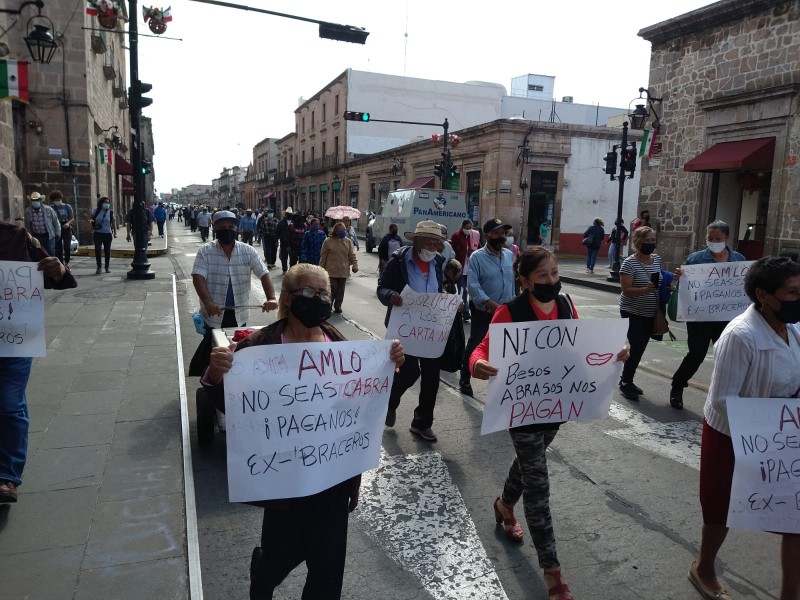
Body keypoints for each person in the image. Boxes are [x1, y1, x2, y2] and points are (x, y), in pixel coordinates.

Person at [202, 263, 405, 599]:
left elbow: (360, 399)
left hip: (333, 480)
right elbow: (234, 409)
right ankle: (263, 572)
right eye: (309, 292)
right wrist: (216, 373)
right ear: (287, 297)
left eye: (323, 293)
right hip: (285, 481)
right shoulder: (259, 346)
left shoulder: (337, 342)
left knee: (328, 568)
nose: (319, 299)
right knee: (280, 557)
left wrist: (389, 367)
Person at [470, 247, 627, 600]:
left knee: (528, 465)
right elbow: (482, 348)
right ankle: (552, 572)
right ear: (525, 281)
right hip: (521, 410)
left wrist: (616, 350)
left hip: (556, 407)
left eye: (555, 274)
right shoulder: (510, 313)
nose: (552, 281)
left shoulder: (567, 306)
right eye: (543, 277)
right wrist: (477, 364)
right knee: (538, 486)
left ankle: (504, 506)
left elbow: (583, 345)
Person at [688, 256, 800, 600]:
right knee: (721, 509)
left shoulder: (794, 329)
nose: (799, 298)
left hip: (783, 438)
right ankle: (704, 566)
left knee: (794, 516)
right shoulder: (740, 335)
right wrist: (770, 419)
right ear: (764, 295)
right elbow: (723, 399)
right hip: (733, 436)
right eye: (793, 292)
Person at [0, 219, 77, 504]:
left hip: (12, 337)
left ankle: (6, 476)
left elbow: (57, 274)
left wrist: (59, 270)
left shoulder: (15, 235)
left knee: (9, 403)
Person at [378, 220, 449, 442]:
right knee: (409, 372)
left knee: (431, 378)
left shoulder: (438, 262)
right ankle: (390, 402)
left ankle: (422, 423)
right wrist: (390, 295)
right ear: (416, 241)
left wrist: (450, 301)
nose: (431, 247)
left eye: (436, 243)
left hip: (432, 329)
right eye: (427, 241)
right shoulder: (399, 261)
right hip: (405, 328)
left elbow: (440, 290)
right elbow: (382, 288)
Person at [668, 220, 747, 409]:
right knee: (697, 353)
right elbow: (686, 287)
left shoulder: (738, 259)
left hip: (728, 317)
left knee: (728, 356)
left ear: (727, 238)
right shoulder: (696, 259)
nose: (713, 241)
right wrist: (679, 277)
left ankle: (726, 395)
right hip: (700, 317)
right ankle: (677, 386)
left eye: (718, 238)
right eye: (709, 238)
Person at [189, 210, 278, 376]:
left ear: (236, 228)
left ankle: (233, 382)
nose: (227, 229)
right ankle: (211, 380)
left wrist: (271, 298)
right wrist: (207, 302)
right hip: (214, 313)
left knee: (236, 349)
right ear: (214, 227)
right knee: (214, 350)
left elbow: (264, 274)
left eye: (231, 226)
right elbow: (198, 277)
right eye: (222, 226)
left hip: (240, 314)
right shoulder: (205, 251)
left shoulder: (248, 251)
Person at [459, 218, 516, 397]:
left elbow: (512, 281)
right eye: (498, 233)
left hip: (506, 311)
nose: (502, 237)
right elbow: (473, 286)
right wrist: (490, 304)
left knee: (507, 348)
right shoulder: (477, 257)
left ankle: (503, 384)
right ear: (488, 235)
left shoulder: (508, 255)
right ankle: (465, 378)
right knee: (477, 343)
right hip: (484, 311)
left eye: (504, 233)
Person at [618, 226, 661, 401]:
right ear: (637, 243)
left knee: (641, 348)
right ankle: (625, 382)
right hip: (632, 311)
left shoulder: (657, 259)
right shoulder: (629, 263)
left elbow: (660, 280)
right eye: (647, 241)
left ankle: (628, 380)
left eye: (653, 240)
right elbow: (626, 290)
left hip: (651, 312)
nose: (651, 244)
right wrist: (645, 290)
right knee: (636, 347)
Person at [320, 221, 358, 314]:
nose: (343, 232)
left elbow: (352, 255)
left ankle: (338, 306)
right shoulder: (328, 241)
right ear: (336, 231)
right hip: (331, 270)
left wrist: (355, 265)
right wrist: (320, 269)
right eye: (341, 230)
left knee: (341, 291)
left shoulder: (348, 242)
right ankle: (328, 305)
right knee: (333, 288)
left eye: (344, 230)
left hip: (343, 270)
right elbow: (323, 256)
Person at [450, 219, 475, 322]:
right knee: (463, 290)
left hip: (469, 268)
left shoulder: (472, 237)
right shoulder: (456, 236)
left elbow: (478, 246)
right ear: (462, 227)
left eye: (470, 228)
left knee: (470, 290)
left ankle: (465, 310)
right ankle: (465, 312)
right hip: (460, 268)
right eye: (467, 228)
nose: (469, 230)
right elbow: (452, 250)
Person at [23, 192, 60, 257]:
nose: (35, 202)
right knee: (37, 253)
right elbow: (27, 225)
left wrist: (58, 233)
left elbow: (56, 222)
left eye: (37, 200)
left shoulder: (48, 210)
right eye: (33, 200)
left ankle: (51, 266)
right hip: (36, 235)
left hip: (48, 235)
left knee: (50, 252)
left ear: (40, 200)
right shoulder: (28, 211)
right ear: (31, 201)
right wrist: (29, 235)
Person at [90, 197, 117, 274]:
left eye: (108, 203)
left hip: (107, 234)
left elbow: (113, 223)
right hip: (97, 233)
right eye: (105, 202)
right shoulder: (96, 211)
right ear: (101, 203)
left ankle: (107, 267)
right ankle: (99, 267)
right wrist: (92, 224)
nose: (107, 204)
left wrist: (115, 232)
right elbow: (91, 219)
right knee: (97, 250)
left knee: (107, 251)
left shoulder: (111, 212)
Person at [49, 190, 74, 266]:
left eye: (58, 199)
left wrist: (68, 223)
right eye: (55, 200)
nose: (57, 201)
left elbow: (72, 218)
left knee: (67, 246)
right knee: (58, 247)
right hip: (56, 229)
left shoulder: (67, 207)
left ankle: (67, 262)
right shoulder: (50, 208)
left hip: (66, 228)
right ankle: (60, 263)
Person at [125, 200, 153, 265]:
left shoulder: (147, 211)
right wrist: (128, 234)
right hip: (135, 231)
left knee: (144, 246)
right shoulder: (132, 212)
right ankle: (139, 258)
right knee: (137, 246)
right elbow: (128, 223)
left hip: (145, 231)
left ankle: (143, 258)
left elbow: (150, 223)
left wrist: (149, 233)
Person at [276, 207, 293, 273]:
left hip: (292, 243)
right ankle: (284, 269)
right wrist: (276, 240)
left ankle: (291, 270)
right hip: (284, 242)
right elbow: (277, 232)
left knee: (292, 258)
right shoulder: (281, 223)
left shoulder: (294, 222)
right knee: (284, 257)